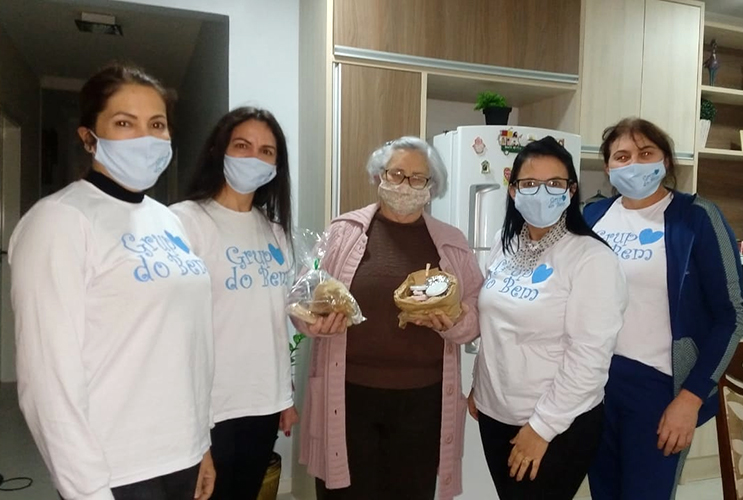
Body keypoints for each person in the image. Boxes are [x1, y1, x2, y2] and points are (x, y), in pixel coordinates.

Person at [9, 64, 215, 500]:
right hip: (115, 468)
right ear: (89, 137)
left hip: (181, 452)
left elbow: (190, 345)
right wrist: (86, 489)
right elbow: (47, 380)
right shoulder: (60, 221)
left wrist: (202, 445)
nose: (146, 137)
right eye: (124, 123)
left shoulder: (168, 220)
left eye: (156, 124)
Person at [293, 136, 483, 500]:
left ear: (431, 186)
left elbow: (476, 310)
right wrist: (312, 321)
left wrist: (457, 320)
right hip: (348, 396)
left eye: (418, 178)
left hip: (423, 401)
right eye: (396, 174)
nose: (405, 185)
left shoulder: (451, 242)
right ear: (379, 176)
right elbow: (305, 293)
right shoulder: (343, 232)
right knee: (345, 493)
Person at [584, 118, 743, 499]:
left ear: (666, 161)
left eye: (646, 153)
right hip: (593, 383)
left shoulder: (697, 217)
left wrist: (690, 399)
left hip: (659, 389)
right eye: (622, 156)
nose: (634, 164)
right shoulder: (591, 217)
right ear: (607, 167)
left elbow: (731, 315)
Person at [467, 136, 628, 500]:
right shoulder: (505, 242)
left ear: (571, 191)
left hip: (557, 422)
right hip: (494, 411)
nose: (542, 193)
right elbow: (496, 324)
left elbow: (589, 356)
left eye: (554, 183)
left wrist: (541, 428)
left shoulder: (592, 258)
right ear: (513, 191)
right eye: (529, 183)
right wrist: (480, 385)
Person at [170, 106, 298, 499]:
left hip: (262, 404)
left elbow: (275, 321)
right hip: (210, 409)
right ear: (218, 150)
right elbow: (174, 331)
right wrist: (190, 424)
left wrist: (284, 397)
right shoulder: (184, 222)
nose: (254, 158)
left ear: (276, 166)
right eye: (242, 146)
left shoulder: (274, 231)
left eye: (266, 151)